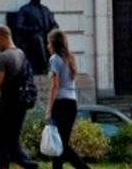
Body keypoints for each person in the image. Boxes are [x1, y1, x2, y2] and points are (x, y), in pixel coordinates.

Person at [0, 25, 39, 169]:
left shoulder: (4, 57)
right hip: (21, 104)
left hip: (7, 105)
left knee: (2, 142)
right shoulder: (21, 54)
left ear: (2, 37)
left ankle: (30, 166)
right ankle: (29, 165)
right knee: (13, 142)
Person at [45, 29, 91, 169]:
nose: (47, 46)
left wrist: (49, 109)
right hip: (72, 103)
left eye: (49, 43)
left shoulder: (54, 59)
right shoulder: (70, 58)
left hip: (60, 103)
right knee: (60, 142)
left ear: (54, 44)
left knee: (60, 143)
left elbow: (55, 86)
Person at [12, 0, 58, 75]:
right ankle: (45, 67)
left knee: (56, 39)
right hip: (31, 37)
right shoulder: (25, 9)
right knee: (38, 39)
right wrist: (32, 29)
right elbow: (18, 26)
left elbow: (54, 24)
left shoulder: (45, 9)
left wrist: (52, 31)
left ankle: (57, 65)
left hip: (46, 36)